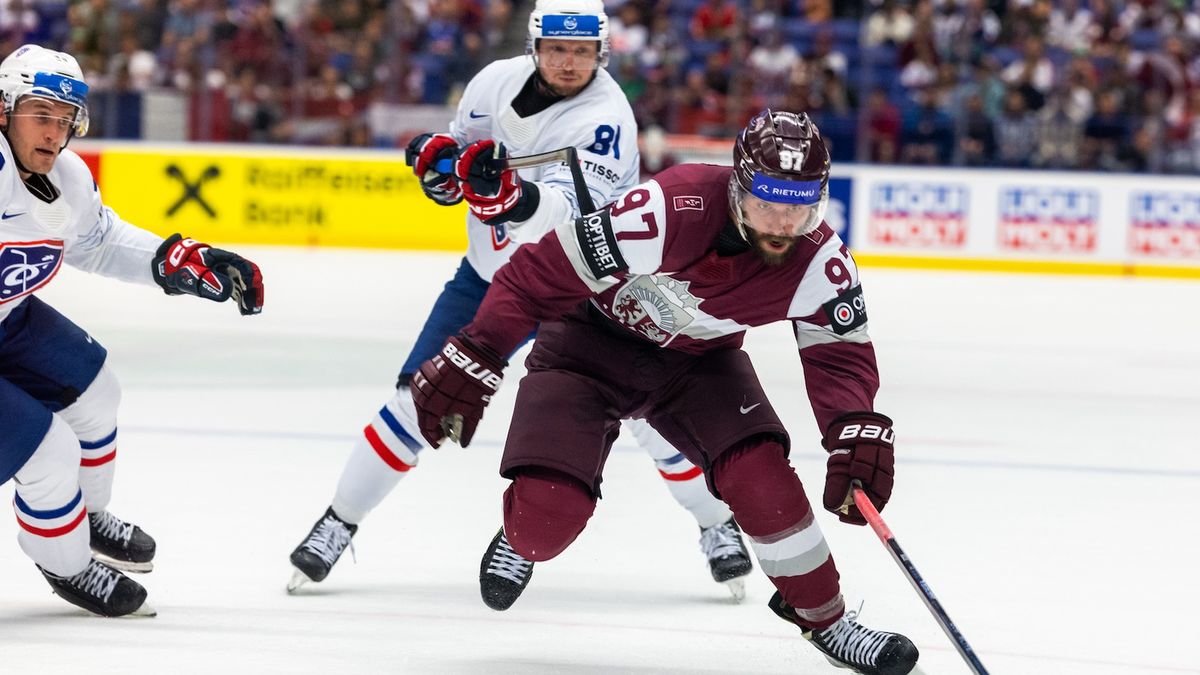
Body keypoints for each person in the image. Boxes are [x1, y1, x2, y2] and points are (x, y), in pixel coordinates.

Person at [411, 109, 920, 674]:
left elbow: (841, 357)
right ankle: (519, 535)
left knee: (762, 477)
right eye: (769, 203)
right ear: (738, 188)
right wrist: (478, 351)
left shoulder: (821, 262)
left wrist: (853, 426)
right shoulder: (669, 208)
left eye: (800, 207)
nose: (782, 223)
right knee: (543, 526)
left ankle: (827, 620)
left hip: (697, 367)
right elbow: (537, 274)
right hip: (586, 346)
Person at [287, 0, 752, 607]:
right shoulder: (491, 83)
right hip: (487, 279)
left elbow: (572, 220)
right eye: (557, 49)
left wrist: (509, 198)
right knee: (420, 399)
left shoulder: (607, 118)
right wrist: (442, 170)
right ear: (535, 47)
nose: (569, 62)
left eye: (582, 51)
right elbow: (461, 155)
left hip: (583, 288)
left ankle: (715, 522)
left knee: (647, 411)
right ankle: (339, 521)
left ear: (601, 53)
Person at [0, 44, 264, 618]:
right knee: (48, 451)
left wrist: (176, 261)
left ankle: (83, 517)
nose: (54, 132)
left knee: (97, 393)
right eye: (40, 114)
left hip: (8, 319)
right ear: (3, 109)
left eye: (64, 118)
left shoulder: (66, 177)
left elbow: (97, 242)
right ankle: (66, 563)